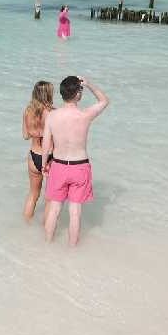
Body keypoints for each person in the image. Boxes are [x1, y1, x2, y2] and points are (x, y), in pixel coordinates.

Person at [42, 76, 110, 245]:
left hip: (58, 165)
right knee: (75, 212)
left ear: (62, 93)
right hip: (79, 167)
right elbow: (104, 100)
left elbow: (46, 144)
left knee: (54, 209)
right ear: (78, 94)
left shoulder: (51, 116)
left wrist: (44, 164)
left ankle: (47, 245)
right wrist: (88, 84)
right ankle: (73, 249)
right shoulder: (85, 115)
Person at [22, 80, 55, 222]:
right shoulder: (53, 112)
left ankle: (25, 226)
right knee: (50, 198)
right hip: (51, 157)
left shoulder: (27, 111)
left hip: (33, 155)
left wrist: (37, 132)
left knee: (33, 194)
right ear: (48, 94)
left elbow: (25, 135)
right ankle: (45, 232)